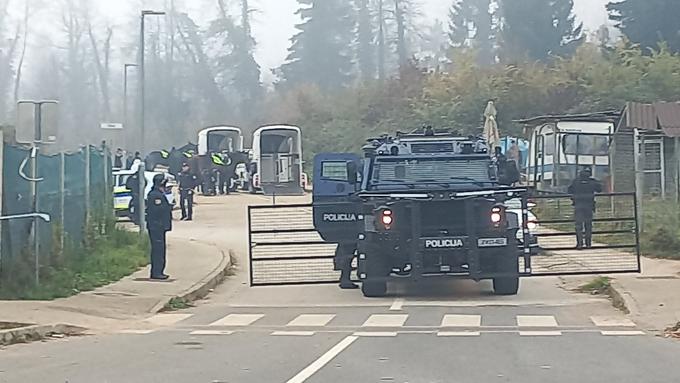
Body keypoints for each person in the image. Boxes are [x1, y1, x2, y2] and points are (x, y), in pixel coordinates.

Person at [568, 167, 602, 250]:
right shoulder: (592, 182)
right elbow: (599, 189)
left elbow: (569, 190)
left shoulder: (576, 181)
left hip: (578, 205)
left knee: (578, 225)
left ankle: (579, 244)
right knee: (588, 225)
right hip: (589, 205)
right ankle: (588, 244)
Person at [147, 174, 173, 280]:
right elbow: (157, 211)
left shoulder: (158, 194)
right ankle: (157, 272)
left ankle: (159, 271)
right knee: (158, 250)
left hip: (159, 227)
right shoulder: (155, 195)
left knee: (160, 249)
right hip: (156, 226)